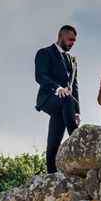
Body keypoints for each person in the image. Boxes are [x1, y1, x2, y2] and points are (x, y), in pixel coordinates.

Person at [35, 25, 81, 173]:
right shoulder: (45, 53)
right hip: (48, 98)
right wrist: (57, 88)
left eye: (74, 41)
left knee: (54, 140)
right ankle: (76, 137)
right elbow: (40, 76)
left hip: (64, 105)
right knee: (67, 99)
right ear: (61, 36)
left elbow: (75, 87)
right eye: (70, 39)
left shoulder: (72, 60)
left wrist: (77, 112)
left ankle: (51, 173)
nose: (72, 43)